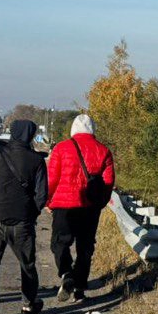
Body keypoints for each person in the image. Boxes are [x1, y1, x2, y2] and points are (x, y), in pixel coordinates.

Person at [0, 119, 49, 314]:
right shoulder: (36, 160)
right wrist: (31, 214)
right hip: (22, 222)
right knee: (27, 265)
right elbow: (41, 195)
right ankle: (28, 305)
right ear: (30, 135)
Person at [47, 114, 115, 303]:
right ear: (92, 129)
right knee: (85, 247)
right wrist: (101, 202)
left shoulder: (61, 148)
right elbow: (109, 181)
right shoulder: (104, 151)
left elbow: (52, 178)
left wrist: (48, 201)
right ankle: (79, 288)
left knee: (59, 243)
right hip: (90, 207)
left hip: (64, 206)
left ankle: (66, 273)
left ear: (73, 129)